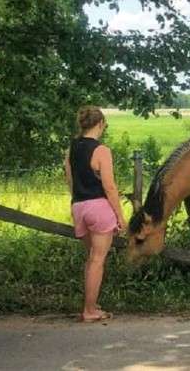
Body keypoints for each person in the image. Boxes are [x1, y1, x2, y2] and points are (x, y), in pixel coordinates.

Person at [64, 105, 127, 323]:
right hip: (98, 207)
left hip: (78, 207)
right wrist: (120, 216)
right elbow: (109, 187)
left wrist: (78, 198)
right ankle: (89, 310)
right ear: (100, 124)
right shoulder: (101, 151)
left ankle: (92, 304)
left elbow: (69, 178)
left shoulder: (71, 148)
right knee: (97, 260)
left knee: (91, 258)